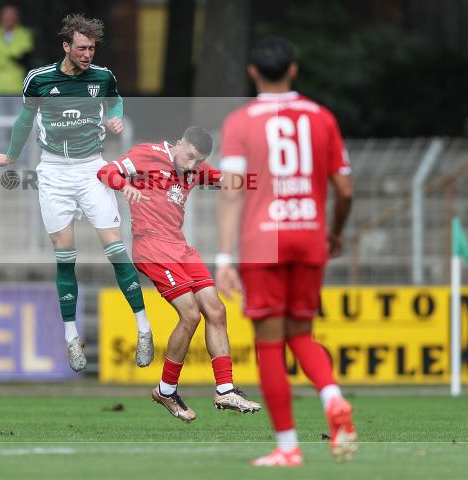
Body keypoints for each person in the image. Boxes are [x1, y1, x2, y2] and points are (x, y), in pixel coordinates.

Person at [215, 36, 356, 467]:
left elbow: (232, 192)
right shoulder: (322, 117)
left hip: (265, 240)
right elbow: (346, 189)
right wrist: (334, 233)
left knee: (270, 345)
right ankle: (332, 397)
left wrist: (223, 257)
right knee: (301, 334)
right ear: (294, 70)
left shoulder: (241, 121)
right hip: (310, 233)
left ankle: (288, 446)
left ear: (252, 72)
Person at [0, 13, 153, 372]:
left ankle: (143, 327)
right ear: (65, 46)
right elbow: (23, 120)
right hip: (52, 172)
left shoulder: (102, 76)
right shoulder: (39, 80)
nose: (87, 54)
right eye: (81, 48)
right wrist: (11, 155)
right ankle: (71, 337)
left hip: (90, 168)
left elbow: (115, 101)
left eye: (92, 48)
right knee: (65, 256)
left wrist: (115, 116)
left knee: (115, 248)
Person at [97, 127, 262, 421]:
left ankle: (224, 389)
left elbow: (225, 180)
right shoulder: (147, 154)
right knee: (191, 315)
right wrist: (125, 186)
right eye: (189, 157)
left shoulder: (196, 168)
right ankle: (166, 389)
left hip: (180, 247)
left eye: (198, 162)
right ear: (178, 144)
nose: (192, 166)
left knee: (216, 309)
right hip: (151, 245)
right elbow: (107, 171)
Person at [0, 4, 34, 151]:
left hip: (18, 86)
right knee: (0, 125)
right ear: (0, 18)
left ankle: (22, 158)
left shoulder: (24, 34)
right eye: (6, 17)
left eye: (12, 17)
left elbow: (25, 59)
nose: (8, 20)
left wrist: (1, 57)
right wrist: (11, 55)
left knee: (20, 125)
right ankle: (2, 158)